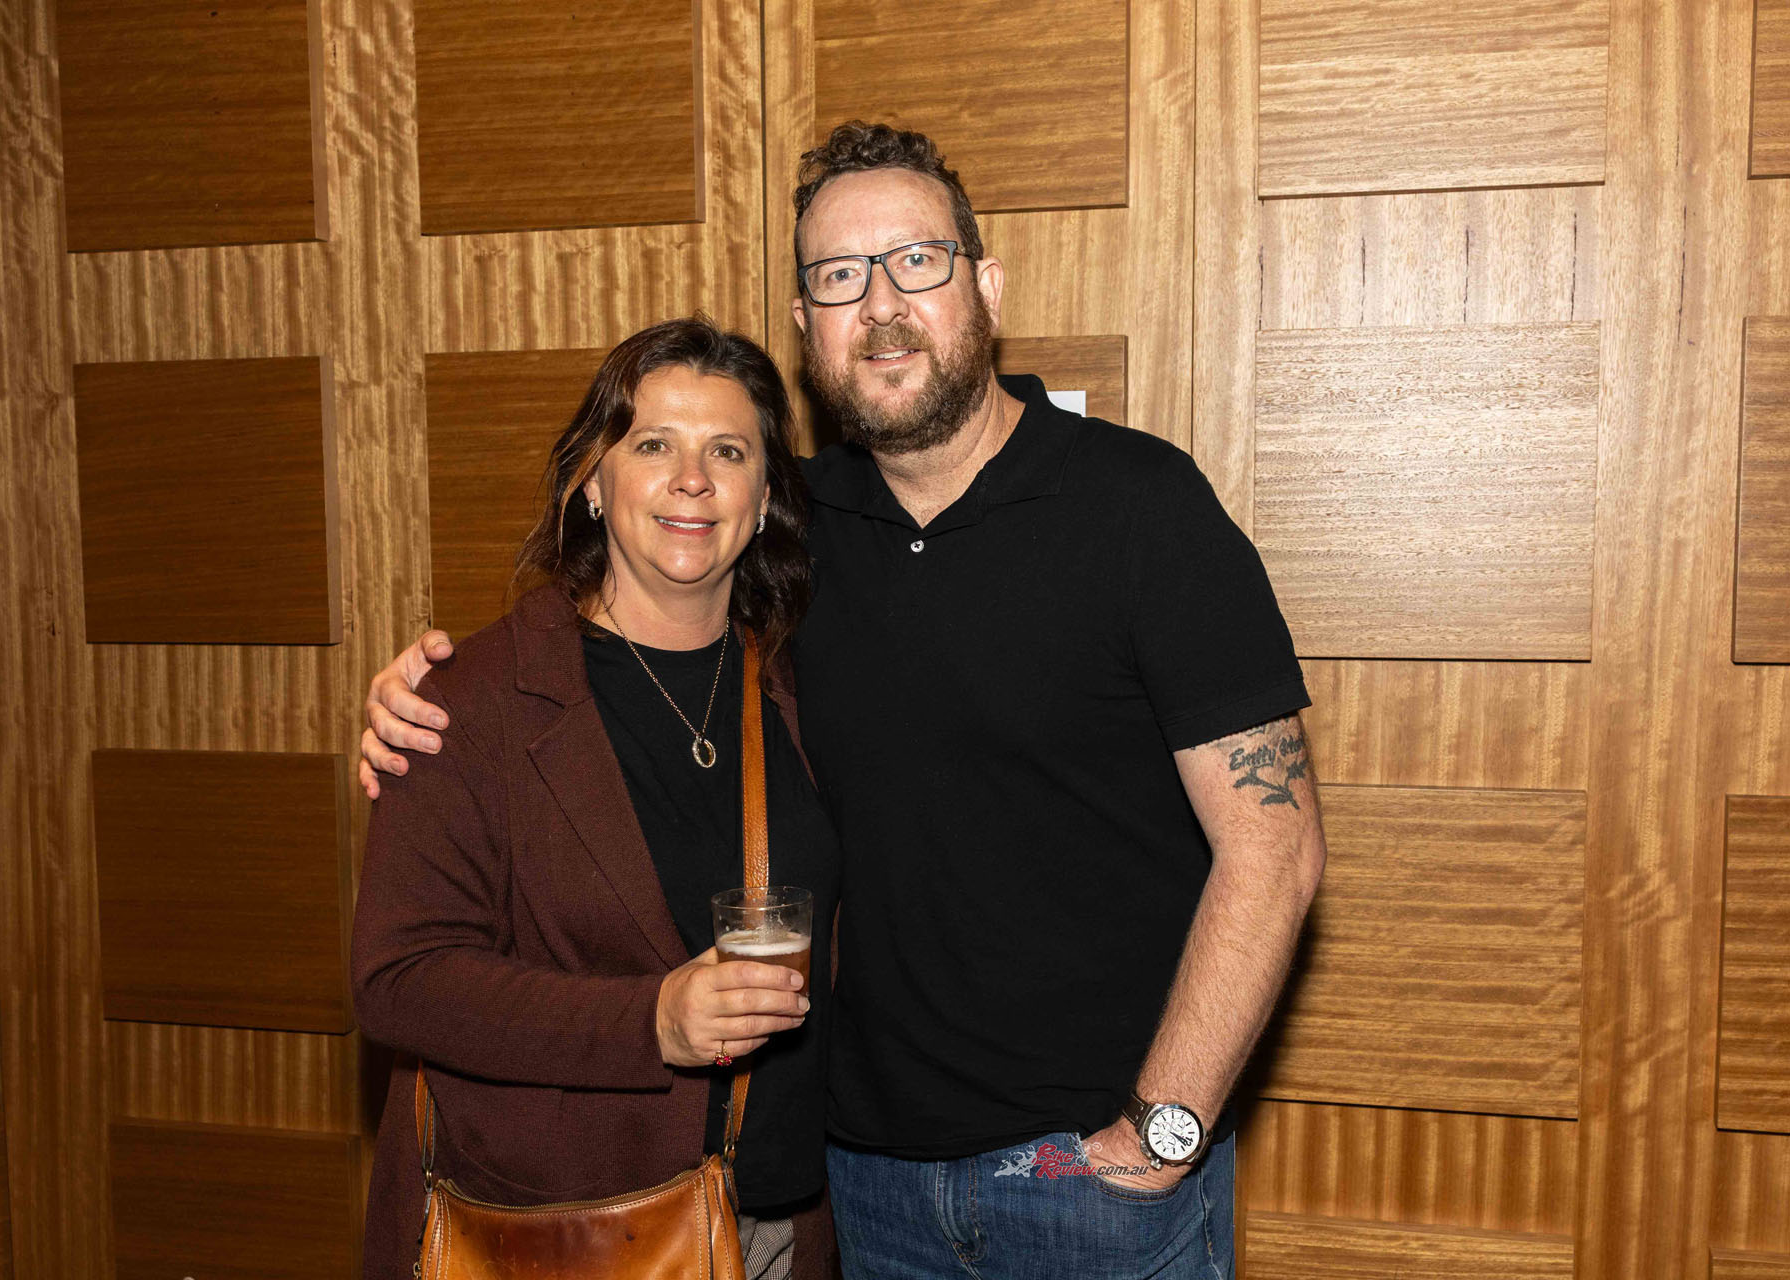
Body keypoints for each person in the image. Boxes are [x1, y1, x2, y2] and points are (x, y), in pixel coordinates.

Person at [362, 123, 1328, 1280]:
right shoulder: (788, 534)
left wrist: (1160, 1133)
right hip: (859, 1190)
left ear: (984, 285)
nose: (879, 304)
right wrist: (422, 692)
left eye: (915, 260)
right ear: (804, 321)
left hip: (1090, 1184)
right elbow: (616, 626)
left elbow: (1273, 845)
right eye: (837, 276)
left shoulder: (1138, 507)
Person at [351, 316, 840, 1280]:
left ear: (765, 498)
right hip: (573, 1232)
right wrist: (648, 1020)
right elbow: (396, 981)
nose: (691, 479)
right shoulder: (472, 702)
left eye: (728, 451)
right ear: (591, 482)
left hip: (783, 1229)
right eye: (652, 445)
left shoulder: (799, 685)